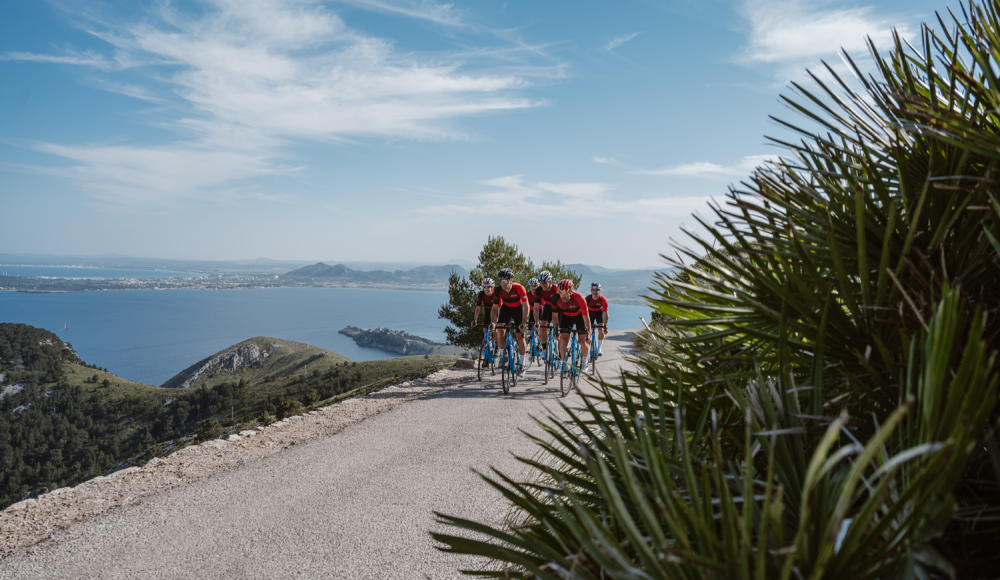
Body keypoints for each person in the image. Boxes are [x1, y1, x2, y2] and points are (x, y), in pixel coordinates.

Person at [489, 268, 529, 376]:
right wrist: (493, 322)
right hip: (505, 309)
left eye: (505, 281)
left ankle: (522, 364)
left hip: (518, 310)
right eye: (501, 281)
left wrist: (523, 323)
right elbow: (494, 308)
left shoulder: (519, 288)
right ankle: (503, 356)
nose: (503, 283)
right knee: (499, 329)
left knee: (520, 336)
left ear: (511, 280)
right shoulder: (498, 290)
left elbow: (526, 306)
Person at [550, 279, 592, 368]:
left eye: (565, 293)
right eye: (560, 292)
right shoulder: (555, 299)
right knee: (563, 339)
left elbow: (586, 318)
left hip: (580, 318)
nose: (562, 296)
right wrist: (556, 330)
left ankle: (585, 360)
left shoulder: (579, 298)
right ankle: (563, 362)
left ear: (570, 291)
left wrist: (589, 334)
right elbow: (555, 317)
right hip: (566, 317)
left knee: (583, 341)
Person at [531, 271, 559, 362]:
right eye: (541, 283)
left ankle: (560, 353)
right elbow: (536, 307)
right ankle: (544, 349)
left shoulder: (556, 289)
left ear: (550, 282)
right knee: (543, 326)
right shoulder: (539, 290)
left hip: (558, 309)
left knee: (559, 331)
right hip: (547, 307)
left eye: (545, 283)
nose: (542, 285)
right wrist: (536, 321)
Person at [470, 278, 499, 356]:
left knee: (495, 329)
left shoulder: (495, 294)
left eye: (488, 287)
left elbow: (499, 308)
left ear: (492, 287)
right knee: (485, 331)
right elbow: (478, 308)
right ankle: (487, 354)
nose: (486, 289)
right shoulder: (481, 294)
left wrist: (497, 318)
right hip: (487, 313)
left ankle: (496, 346)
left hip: (496, 313)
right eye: (484, 287)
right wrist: (475, 320)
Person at [586, 282, 610, 356]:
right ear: (591, 290)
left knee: (601, 330)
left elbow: (605, 315)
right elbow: (584, 314)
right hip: (590, 314)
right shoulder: (587, 299)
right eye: (593, 290)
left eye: (596, 290)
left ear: (599, 291)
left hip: (599, 313)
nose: (594, 291)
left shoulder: (603, 299)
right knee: (588, 331)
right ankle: (588, 347)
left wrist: (605, 326)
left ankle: (599, 348)